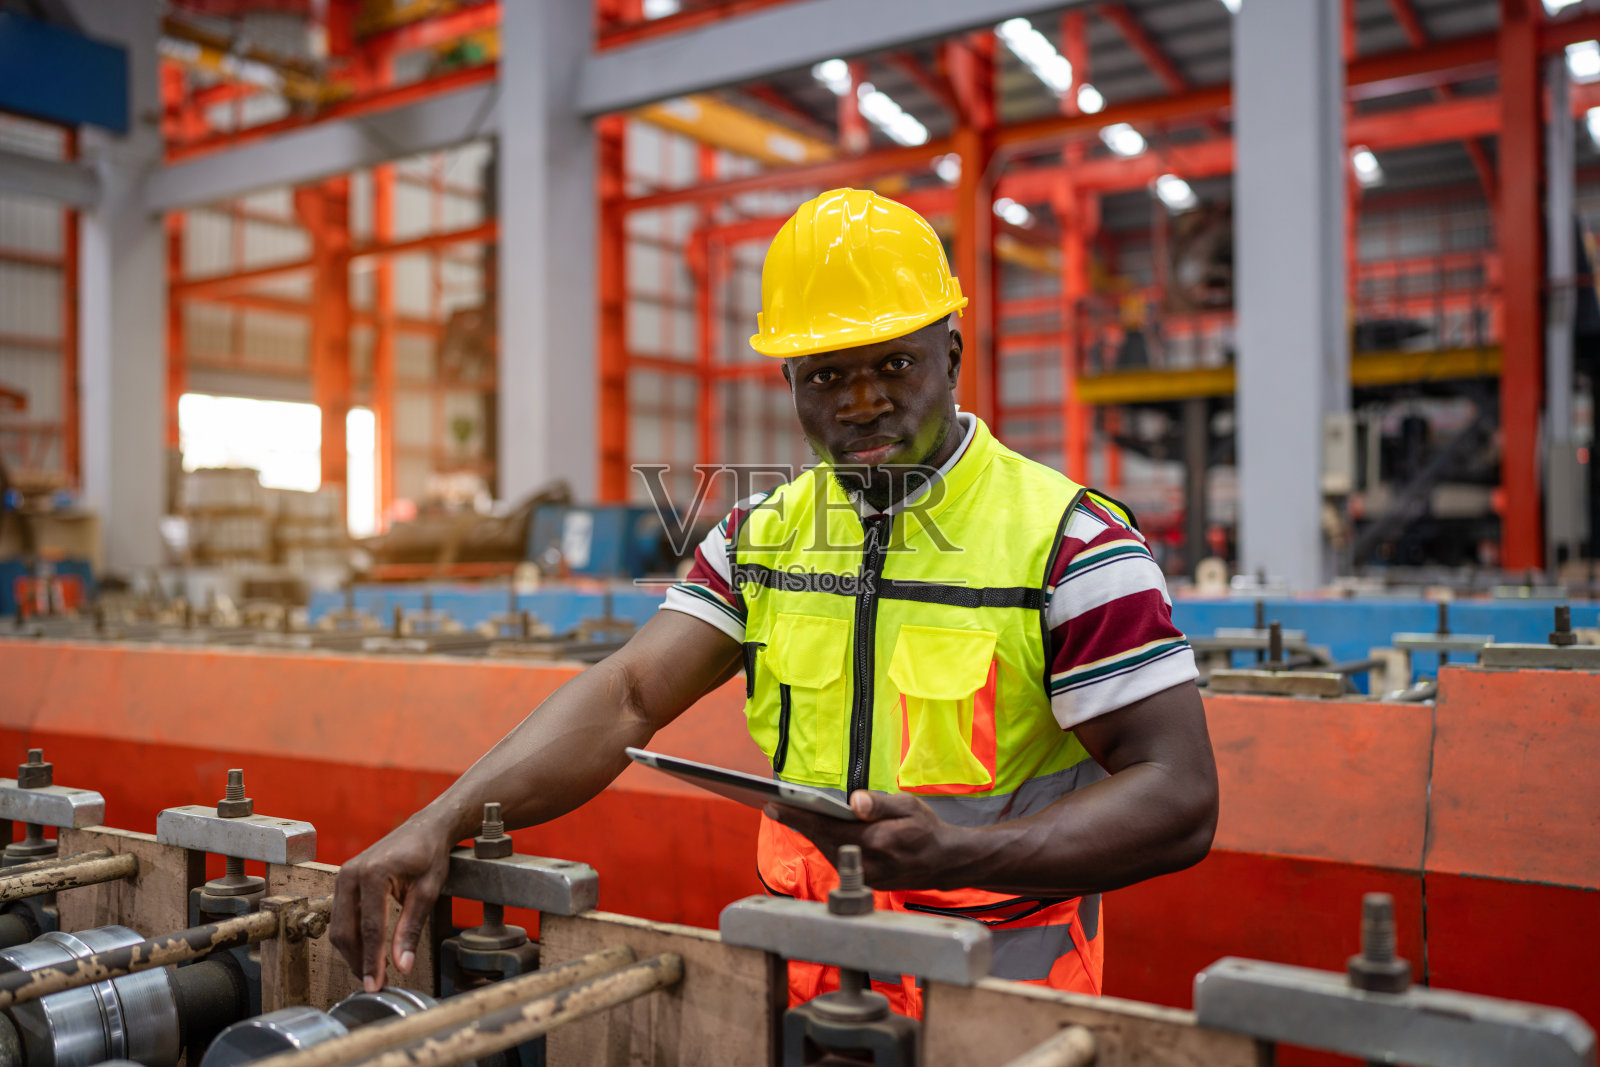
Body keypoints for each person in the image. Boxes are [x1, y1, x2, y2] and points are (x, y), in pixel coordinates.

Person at [331, 188, 1218, 1016]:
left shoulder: (1072, 543)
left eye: (894, 365)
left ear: (952, 352)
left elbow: (1179, 795)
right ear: (788, 382)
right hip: (804, 976)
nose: (864, 403)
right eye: (827, 377)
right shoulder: (763, 537)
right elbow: (629, 695)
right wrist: (440, 819)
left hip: (997, 994)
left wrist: (965, 851)